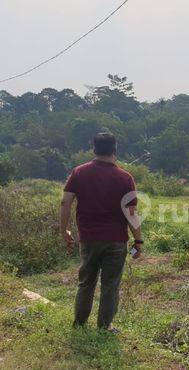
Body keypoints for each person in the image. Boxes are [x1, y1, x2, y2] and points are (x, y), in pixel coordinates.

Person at [60, 133, 143, 331]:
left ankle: (79, 324)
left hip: (88, 239)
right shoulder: (125, 178)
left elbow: (65, 202)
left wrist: (65, 230)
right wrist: (138, 241)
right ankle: (104, 327)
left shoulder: (79, 173)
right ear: (115, 150)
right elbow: (131, 214)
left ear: (94, 149)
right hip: (116, 241)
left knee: (86, 282)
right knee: (110, 285)